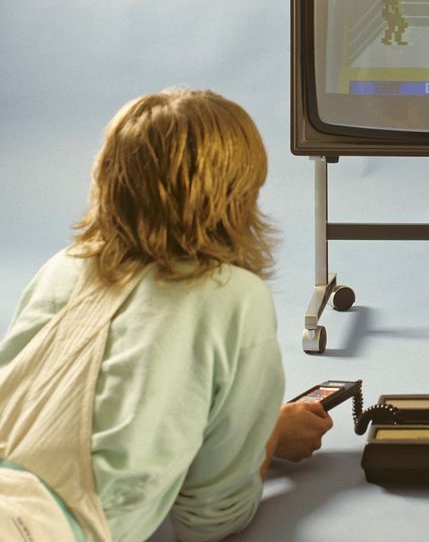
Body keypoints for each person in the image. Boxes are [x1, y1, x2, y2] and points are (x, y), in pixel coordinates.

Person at [0, 89, 333, 542]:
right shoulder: (235, 297)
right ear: (239, 194)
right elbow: (211, 519)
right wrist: (268, 437)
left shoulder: (64, 266)